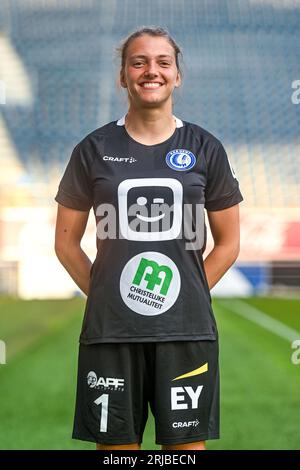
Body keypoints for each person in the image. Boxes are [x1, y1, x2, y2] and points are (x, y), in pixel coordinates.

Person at [54, 26, 243, 451]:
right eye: (138, 62)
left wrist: (184, 297)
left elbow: (228, 243)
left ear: (178, 75)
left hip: (185, 331)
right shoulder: (93, 149)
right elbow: (66, 244)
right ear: (123, 76)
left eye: (162, 62)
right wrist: (109, 297)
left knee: (184, 454)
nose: (150, 71)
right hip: (111, 333)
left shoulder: (205, 148)